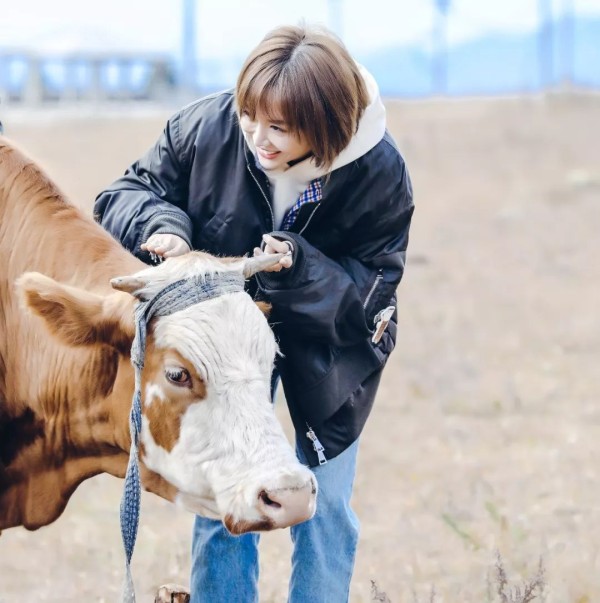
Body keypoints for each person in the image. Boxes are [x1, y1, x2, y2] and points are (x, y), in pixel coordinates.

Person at [94, 23, 413, 603]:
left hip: (330, 353)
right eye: (250, 116)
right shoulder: (209, 127)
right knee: (227, 497)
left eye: (279, 129)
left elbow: (373, 297)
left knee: (325, 506)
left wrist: (297, 267)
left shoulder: (380, 173)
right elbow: (122, 195)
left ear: (327, 129)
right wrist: (164, 228)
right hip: (225, 347)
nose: (257, 138)